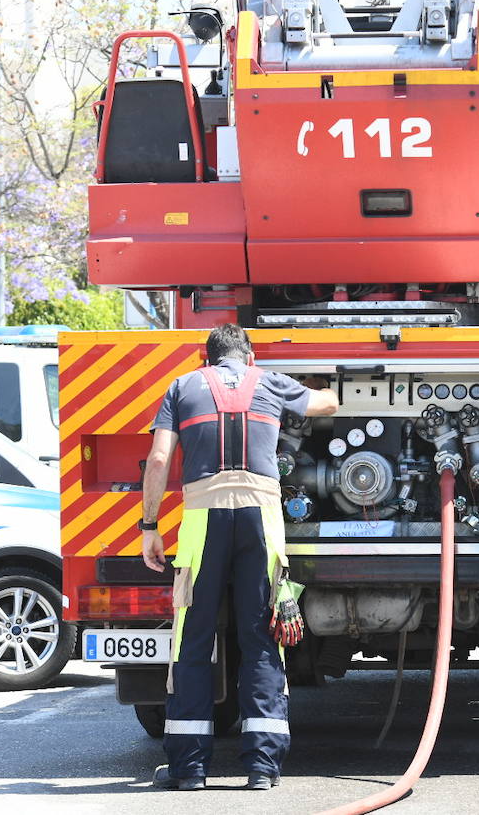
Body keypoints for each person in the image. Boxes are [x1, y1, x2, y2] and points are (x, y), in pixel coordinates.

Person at [140, 323, 339, 791]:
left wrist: (150, 527)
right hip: (261, 519)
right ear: (249, 357)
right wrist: (333, 382)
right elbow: (325, 404)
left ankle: (189, 770)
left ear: (204, 360)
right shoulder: (269, 381)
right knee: (262, 636)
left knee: (192, 640)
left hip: (203, 519)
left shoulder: (182, 387)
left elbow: (157, 459)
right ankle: (262, 769)